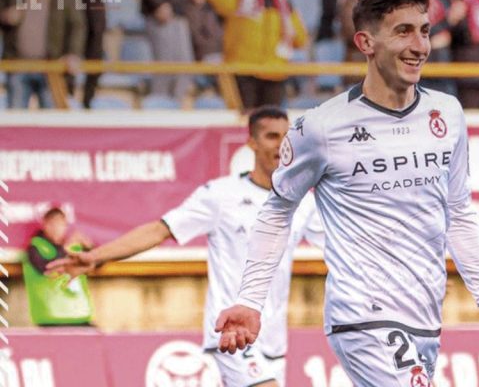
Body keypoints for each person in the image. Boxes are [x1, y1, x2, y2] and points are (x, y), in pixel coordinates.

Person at [215, 0, 479, 386]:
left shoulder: (447, 114)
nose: (419, 45)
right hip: (361, 315)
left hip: (424, 315)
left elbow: (457, 214)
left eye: (424, 30)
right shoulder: (321, 127)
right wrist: (249, 299)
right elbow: (278, 210)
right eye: (403, 31)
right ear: (366, 42)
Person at [47, 107, 322, 387]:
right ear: (251, 142)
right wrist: (96, 256)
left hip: (274, 340)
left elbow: (341, 247)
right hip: (231, 333)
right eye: (271, 136)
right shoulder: (220, 195)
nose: (280, 144)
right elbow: (160, 229)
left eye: (286, 136)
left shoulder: (302, 201)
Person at [202, 0, 308, 109]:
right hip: (242, 71)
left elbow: (300, 40)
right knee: (244, 121)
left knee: (270, 120)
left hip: (274, 73)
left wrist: (290, 21)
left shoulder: (284, 4)